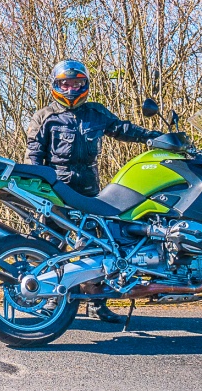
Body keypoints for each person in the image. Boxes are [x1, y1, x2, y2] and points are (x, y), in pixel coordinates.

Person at [25, 59, 161, 323]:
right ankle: (51, 301)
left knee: (94, 246)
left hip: (88, 186)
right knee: (52, 244)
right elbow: (33, 156)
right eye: (66, 83)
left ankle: (96, 303)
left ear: (85, 84)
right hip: (57, 187)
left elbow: (123, 129)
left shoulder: (96, 113)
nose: (71, 88)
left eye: (77, 83)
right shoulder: (44, 117)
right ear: (56, 85)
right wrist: (38, 189)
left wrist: (152, 136)